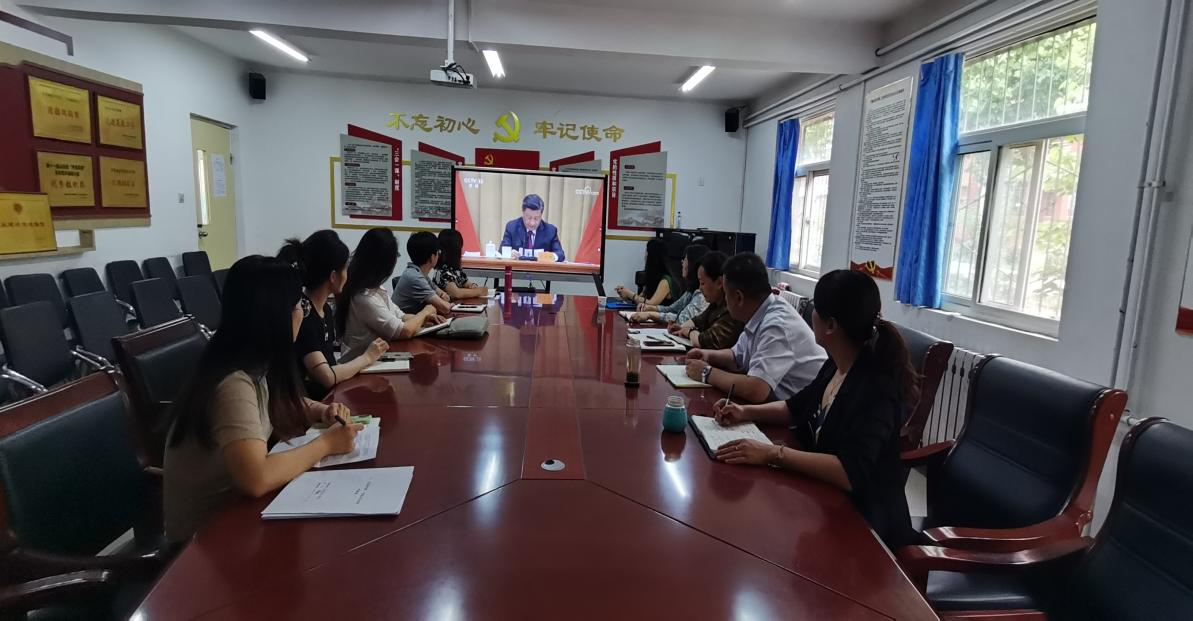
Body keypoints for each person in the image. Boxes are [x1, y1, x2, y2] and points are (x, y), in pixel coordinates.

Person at [163, 255, 364, 543]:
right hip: (202, 546)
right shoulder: (233, 383)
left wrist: (322, 411)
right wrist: (327, 444)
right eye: (300, 305)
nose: (302, 313)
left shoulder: (249, 361)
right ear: (276, 315)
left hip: (237, 521)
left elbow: (276, 402)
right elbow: (257, 478)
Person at [710, 269, 918, 548]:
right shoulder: (836, 364)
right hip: (824, 502)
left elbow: (849, 471)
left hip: (865, 529)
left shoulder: (876, 388)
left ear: (830, 326)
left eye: (815, 309)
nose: (810, 316)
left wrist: (772, 453)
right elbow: (796, 407)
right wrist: (745, 412)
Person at [684, 252, 826, 403]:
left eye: (726, 293)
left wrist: (706, 373)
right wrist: (708, 355)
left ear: (739, 298)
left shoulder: (777, 325)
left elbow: (756, 389)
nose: (725, 299)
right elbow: (736, 355)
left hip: (807, 413)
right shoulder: (760, 312)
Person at [277, 231, 388, 400]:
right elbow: (326, 377)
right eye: (345, 269)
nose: (347, 275)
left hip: (329, 398)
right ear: (333, 276)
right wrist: (367, 357)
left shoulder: (325, 310)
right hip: (311, 404)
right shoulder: (304, 314)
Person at [341, 228, 444, 361]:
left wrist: (424, 319)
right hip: (361, 366)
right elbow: (404, 331)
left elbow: (400, 315)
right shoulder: (363, 297)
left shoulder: (375, 287)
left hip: (378, 357)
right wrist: (426, 312)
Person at [670, 251, 744, 349]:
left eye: (702, 283)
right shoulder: (715, 304)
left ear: (719, 282)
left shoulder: (732, 310)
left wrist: (690, 331)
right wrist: (681, 328)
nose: (700, 288)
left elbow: (703, 341)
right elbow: (697, 321)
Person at [630, 244, 709, 324]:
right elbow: (671, 309)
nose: (682, 262)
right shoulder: (690, 291)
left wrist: (650, 314)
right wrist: (650, 308)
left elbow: (682, 319)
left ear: (692, 264)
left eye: (685, 259)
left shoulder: (701, 295)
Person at [393, 231, 454, 315]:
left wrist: (443, 297)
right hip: (405, 321)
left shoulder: (420, 273)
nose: (439, 256)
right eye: (438, 252)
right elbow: (445, 308)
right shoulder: (415, 277)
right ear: (432, 257)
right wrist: (449, 304)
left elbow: (442, 294)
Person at [500, 193, 565, 261]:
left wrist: (550, 256)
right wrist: (508, 253)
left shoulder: (550, 231)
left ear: (541, 215)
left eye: (536, 218)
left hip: (540, 267)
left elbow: (560, 254)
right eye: (529, 218)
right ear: (523, 213)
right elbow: (501, 250)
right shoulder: (512, 227)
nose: (532, 223)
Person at [614, 238, 677, 307]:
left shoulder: (665, 281)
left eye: (647, 253)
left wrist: (630, 294)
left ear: (652, 257)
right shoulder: (652, 278)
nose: (645, 257)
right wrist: (626, 294)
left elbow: (651, 304)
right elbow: (641, 298)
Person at [434, 228, 489, 300]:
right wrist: (479, 291)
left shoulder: (455, 270)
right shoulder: (442, 272)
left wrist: (472, 286)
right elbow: (457, 294)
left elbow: (466, 283)